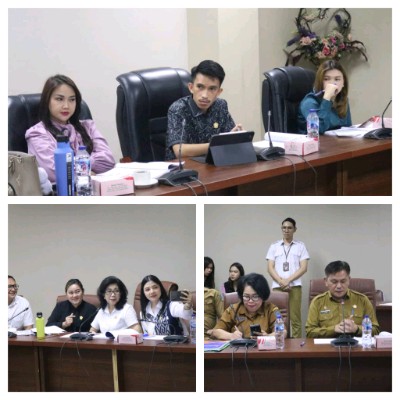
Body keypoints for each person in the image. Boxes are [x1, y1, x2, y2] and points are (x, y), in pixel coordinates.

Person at [26, 74, 115, 184]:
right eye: (59, 99)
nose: (66, 106)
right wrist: (88, 169)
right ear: (47, 101)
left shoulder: (88, 126)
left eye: (72, 99)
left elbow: (108, 162)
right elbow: (55, 173)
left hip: (92, 190)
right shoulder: (37, 134)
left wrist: (77, 166)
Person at [165, 60, 243, 160]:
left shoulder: (220, 105)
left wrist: (236, 137)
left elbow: (227, 139)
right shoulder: (178, 109)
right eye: (200, 87)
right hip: (182, 167)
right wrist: (217, 144)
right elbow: (180, 151)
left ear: (219, 92)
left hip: (213, 164)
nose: (205, 95)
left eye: (212, 89)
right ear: (191, 87)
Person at [305, 260, 380, 338]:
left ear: (349, 280)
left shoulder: (362, 300)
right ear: (326, 281)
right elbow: (309, 332)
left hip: (355, 344)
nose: (339, 286)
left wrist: (357, 329)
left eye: (343, 281)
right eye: (334, 282)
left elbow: (376, 331)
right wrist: (333, 329)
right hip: (328, 345)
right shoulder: (317, 302)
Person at [266, 217, 309, 338]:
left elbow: (304, 268)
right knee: (277, 318)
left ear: (295, 229)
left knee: (295, 318)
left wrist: (288, 281)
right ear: (281, 229)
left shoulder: (301, 246)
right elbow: (270, 268)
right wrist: (281, 282)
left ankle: (296, 345)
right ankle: (278, 341)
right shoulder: (274, 246)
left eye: (289, 228)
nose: (286, 230)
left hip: (294, 286)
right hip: (277, 287)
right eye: (284, 228)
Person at [211, 273, 286, 340]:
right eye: (246, 296)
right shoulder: (233, 309)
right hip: (239, 350)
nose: (250, 301)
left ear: (263, 295)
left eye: (255, 297)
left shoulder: (272, 309)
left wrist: (268, 337)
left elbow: (283, 332)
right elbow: (216, 331)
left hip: (264, 349)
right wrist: (231, 336)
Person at [297, 60, 352, 134]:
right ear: (320, 82)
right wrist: (327, 98)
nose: (332, 83)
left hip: (336, 141)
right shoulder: (309, 102)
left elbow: (348, 130)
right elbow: (317, 130)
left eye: (337, 79)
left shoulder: (342, 100)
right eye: (326, 79)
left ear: (343, 83)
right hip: (314, 141)